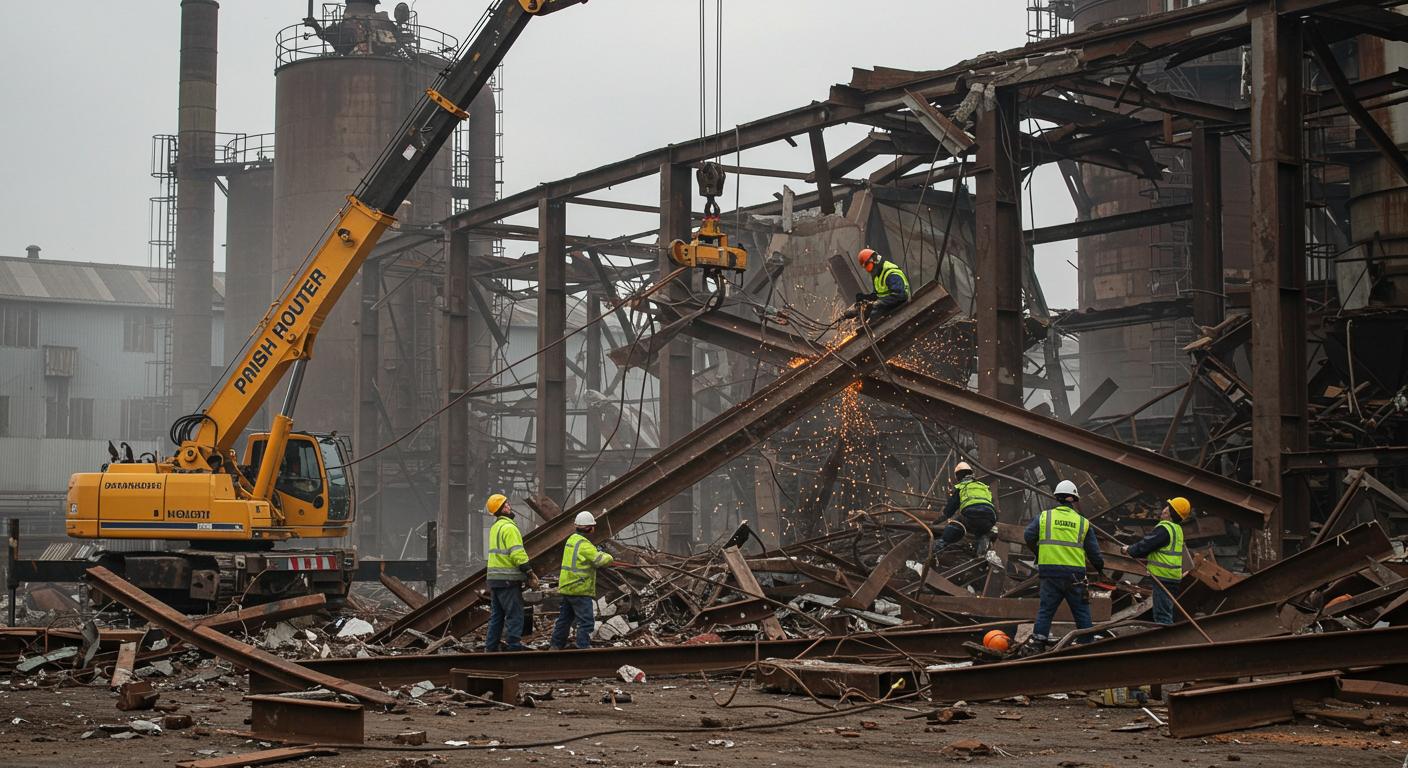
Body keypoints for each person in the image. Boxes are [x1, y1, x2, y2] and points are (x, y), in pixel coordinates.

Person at [1022, 480, 1104, 652]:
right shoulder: (1082, 522)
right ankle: (1086, 643)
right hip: (1075, 575)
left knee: (1046, 610)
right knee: (1081, 611)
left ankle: (1038, 643)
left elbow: (1028, 535)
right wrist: (1099, 568)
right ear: (1074, 499)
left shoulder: (1044, 517)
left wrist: (1039, 552)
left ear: (1057, 498)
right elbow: (1094, 552)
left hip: (1050, 572)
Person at [550, 511, 615, 650]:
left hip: (567, 587)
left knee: (564, 619)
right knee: (586, 621)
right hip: (579, 588)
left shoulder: (571, 540)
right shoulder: (584, 544)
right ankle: (583, 647)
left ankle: (555, 645)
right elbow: (599, 560)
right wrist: (609, 557)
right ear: (589, 528)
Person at [1122, 497, 1191, 625]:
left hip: (1163, 577)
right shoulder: (1177, 529)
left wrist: (1129, 550)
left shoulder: (1165, 528)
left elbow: (1146, 545)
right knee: (1166, 609)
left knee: (1162, 615)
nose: (1164, 509)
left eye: (1168, 506)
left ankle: (1166, 635)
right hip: (1173, 576)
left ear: (1170, 512)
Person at [484, 493, 538, 651]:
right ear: (501, 509)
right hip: (507, 580)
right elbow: (517, 553)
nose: (509, 506)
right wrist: (529, 572)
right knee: (515, 614)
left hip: (495, 579)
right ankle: (514, 647)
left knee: (497, 616)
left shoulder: (495, 527)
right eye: (506, 504)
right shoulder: (509, 528)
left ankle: (490, 648)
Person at [931, 461, 997, 559]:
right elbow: (992, 503)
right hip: (989, 518)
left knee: (955, 525)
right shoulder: (983, 486)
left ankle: (938, 548)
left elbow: (950, 510)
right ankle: (981, 555)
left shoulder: (962, 487)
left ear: (958, 476)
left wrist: (937, 521)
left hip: (971, 515)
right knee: (982, 532)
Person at [843, 248, 909, 321]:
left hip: (902, 308)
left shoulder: (890, 273)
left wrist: (876, 304)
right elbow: (878, 295)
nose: (869, 271)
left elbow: (900, 295)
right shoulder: (877, 275)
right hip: (889, 308)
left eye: (868, 267)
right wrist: (864, 300)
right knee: (866, 317)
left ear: (875, 260)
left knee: (874, 315)